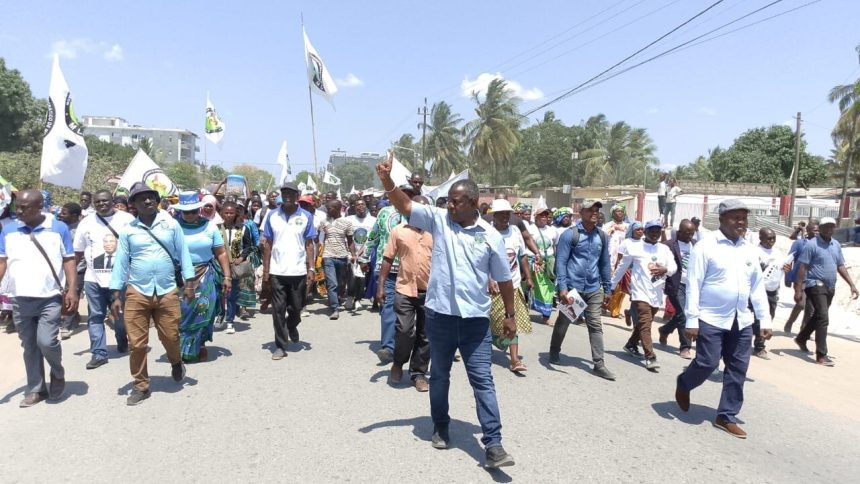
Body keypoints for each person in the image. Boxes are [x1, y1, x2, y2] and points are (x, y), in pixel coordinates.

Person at [376, 153, 516, 469]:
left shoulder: (490, 236)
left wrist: (509, 315)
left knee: (483, 381)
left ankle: (493, 444)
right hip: (439, 318)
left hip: (475, 323)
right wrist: (387, 181)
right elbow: (405, 206)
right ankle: (441, 426)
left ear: (473, 204)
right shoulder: (439, 220)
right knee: (439, 376)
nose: (449, 206)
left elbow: (505, 280)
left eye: (455, 202)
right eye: (448, 201)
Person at [674, 199, 771, 438]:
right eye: (735, 218)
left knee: (738, 368)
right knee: (707, 363)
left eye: (744, 218)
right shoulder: (705, 247)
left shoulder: (749, 249)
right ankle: (685, 383)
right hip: (710, 317)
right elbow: (694, 285)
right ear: (722, 219)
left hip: (742, 319)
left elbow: (757, 287)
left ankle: (725, 416)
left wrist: (764, 319)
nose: (741, 223)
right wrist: (692, 320)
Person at [109, 182, 195, 405]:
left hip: (167, 290)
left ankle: (176, 361)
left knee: (170, 336)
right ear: (134, 204)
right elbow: (120, 262)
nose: (147, 201)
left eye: (151, 197)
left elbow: (184, 254)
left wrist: (190, 283)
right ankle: (140, 385)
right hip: (137, 291)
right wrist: (116, 295)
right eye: (141, 198)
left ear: (156, 200)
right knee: (136, 343)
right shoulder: (129, 230)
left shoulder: (171, 224)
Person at [0, 189, 78, 407]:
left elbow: (69, 260)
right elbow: (2, 261)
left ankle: (58, 372)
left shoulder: (58, 228)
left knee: (46, 341)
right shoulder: (8, 230)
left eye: (24, 207)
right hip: (20, 298)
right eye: (17, 207)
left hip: (49, 296)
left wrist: (72, 289)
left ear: (39, 207)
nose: (19, 211)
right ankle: (36, 389)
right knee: (29, 346)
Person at [550, 200, 616, 381]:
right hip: (574, 289)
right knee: (564, 321)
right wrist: (562, 287)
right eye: (591, 210)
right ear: (581, 212)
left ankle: (599, 364)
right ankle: (554, 350)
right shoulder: (569, 235)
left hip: (594, 288)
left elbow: (604, 264)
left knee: (595, 324)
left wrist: (608, 288)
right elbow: (561, 262)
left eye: (597, 210)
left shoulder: (602, 236)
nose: (595, 213)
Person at [73, 189, 134, 369]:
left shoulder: (127, 220)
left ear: (112, 201)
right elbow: (77, 252)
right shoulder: (86, 223)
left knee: (120, 317)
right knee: (96, 316)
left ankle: (122, 338)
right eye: (98, 202)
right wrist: (69, 279)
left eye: (105, 201)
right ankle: (99, 353)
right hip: (93, 280)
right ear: (94, 202)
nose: (102, 204)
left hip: (121, 279)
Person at [377, 195, 433, 391]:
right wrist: (381, 285)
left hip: (430, 292)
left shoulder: (437, 233)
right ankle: (398, 363)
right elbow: (387, 258)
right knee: (405, 331)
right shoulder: (398, 231)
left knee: (426, 335)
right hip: (404, 289)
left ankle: (418, 373)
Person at [173, 192, 231, 362]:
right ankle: (182, 347)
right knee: (182, 312)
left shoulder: (210, 226)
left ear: (199, 209)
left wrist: (227, 276)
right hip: (180, 276)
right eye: (186, 212)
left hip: (205, 273)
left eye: (193, 211)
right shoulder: (173, 227)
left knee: (205, 309)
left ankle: (201, 344)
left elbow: (221, 253)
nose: (190, 215)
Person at [261, 182, 317, 360]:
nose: (287, 196)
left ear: (297, 195)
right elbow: (267, 243)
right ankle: (280, 345)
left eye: (291, 193)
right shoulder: (272, 215)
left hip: (298, 271)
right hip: (278, 271)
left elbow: (309, 244)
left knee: (296, 307)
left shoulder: (306, 216)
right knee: (278, 309)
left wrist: (311, 267)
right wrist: (266, 269)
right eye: (284, 192)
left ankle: (292, 325)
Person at [793, 217, 859, 366]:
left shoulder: (835, 244)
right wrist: (798, 289)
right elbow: (802, 267)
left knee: (818, 316)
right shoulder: (811, 245)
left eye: (832, 227)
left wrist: (851, 284)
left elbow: (840, 265)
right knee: (823, 317)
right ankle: (821, 355)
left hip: (830, 286)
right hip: (815, 284)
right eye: (826, 226)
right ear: (820, 228)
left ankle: (802, 338)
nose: (829, 229)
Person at [612, 220, 676, 371]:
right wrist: (611, 285)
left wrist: (665, 270)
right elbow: (622, 267)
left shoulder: (664, 249)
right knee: (646, 323)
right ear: (645, 232)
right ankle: (650, 357)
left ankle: (631, 344)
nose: (655, 234)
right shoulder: (635, 247)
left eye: (657, 231)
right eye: (651, 231)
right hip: (640, 291)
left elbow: (673, 267)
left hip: (656, 292)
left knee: (643, 322)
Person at [363, 186, 416, 363]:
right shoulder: (384, 213)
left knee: (411, 310)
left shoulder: (419, 213)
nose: (404, 198)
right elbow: (374, 236)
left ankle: (412, 343)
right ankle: (388, 347)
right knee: (388, 307)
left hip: (412, 271)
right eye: (402, 194)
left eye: (409, 196)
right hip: (387, 269)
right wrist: (364, 258)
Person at [489, 199, 533, 373]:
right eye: (501, 214)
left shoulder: (515, 231)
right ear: (494, 215)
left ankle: (514, 360)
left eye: (508, 213)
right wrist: (488, 279)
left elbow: (522, 256)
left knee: (511, 319)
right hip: (493, 287)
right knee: (494, 324)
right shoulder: (488, 232)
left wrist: (528, 277)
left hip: (513, 284)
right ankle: (492, 342)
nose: (505, 217)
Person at [657, 219, 695, 359]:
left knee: (681, 315)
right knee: (684, 315)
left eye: (692, 233)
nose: (690, 236)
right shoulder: (669, 245)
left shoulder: (696, 245)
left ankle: (665, 330)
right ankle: (685, 347)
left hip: (692, 286)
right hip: (676, 285)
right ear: (679, 232)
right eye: (687, 233)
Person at [219, 201, 259, 333]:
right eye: (226, 213)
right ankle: (220, 316)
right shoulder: (217, 228)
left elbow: (248, 245)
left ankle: (229, 321)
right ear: (222, 213)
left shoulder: (243, 228)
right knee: (219, 293)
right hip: (218, 265)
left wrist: (241, 257)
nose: (229, 215)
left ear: (235, 213)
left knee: (231, 293)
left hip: (235, 266)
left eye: (231, 213)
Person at [751, 228, 784, 360]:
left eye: (773, 238)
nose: (771, 241)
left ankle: (759, 344)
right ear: (761, 238)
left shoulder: (778, 252)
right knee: (752, 317)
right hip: (755, 290)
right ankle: (754, 345)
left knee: (768, 317)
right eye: (769, 238)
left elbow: (782, 267)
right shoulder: (754, 252)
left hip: (772, 290)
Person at [320, 200, 355, 320]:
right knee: (332, 283)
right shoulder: (323, 222)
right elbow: (319, 238)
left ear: (338, 208)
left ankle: (338, 297)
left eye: (330, 208)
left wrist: (353, 254)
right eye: (327, 208)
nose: (328, 211)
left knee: (340, 283)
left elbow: (350, 241)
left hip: (342, 257)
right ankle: (334, 309)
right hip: (328, 255)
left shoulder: (347, 223)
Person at [783, 222, 819, 333]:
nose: (817, 233)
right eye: (815, 230)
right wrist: (787, 277)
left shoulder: (822, 245)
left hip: (815, 280)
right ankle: (790, 321)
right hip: (801, 279)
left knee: (811, 309)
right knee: (801, 304)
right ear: (808, 231)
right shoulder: (799, 243)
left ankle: (803, 331)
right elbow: (789, 260)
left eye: (818, 230)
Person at [57, 202, 84, 339]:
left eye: (64, 213)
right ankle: (75, 316)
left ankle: (66, 326)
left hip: (78, 268)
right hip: (60, 268)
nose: (60, 214)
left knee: (72, 293)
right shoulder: (60, 228)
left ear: (74, 216)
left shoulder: (80, 229)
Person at [528, 207, 559, 324]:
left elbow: (555, 246)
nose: (544, 217)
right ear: (535, 217)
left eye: (546, 215)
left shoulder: (552, 230)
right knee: (528, 286)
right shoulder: (529, 229)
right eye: (541, 215)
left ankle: (546, 314)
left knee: (547, 287)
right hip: (532, 262)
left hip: (548, 263)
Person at [344, 199, 376, 310]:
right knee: (351, 276)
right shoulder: (348, 220)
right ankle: (349, 296)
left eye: (363, 204)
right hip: (351, 253)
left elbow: (373, 237)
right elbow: (345, 235)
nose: (360, 206)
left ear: (366, 206)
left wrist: (365, 249)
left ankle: (357, 299)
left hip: (366, 254)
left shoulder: (373, 220)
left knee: (362, 277)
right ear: (354, 207)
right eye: (358, 204)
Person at [615, 221, 644, 325]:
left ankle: (630, 312)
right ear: (632, 231)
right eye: (638, 229)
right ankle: (636, 325)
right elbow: (619, 259)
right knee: (634, 296)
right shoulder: (626, 242)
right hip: (628, 273)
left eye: (642, 229)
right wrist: (617, 275)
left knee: (636, 298)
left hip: (641, 274)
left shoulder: (645, 242)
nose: (640, 231)